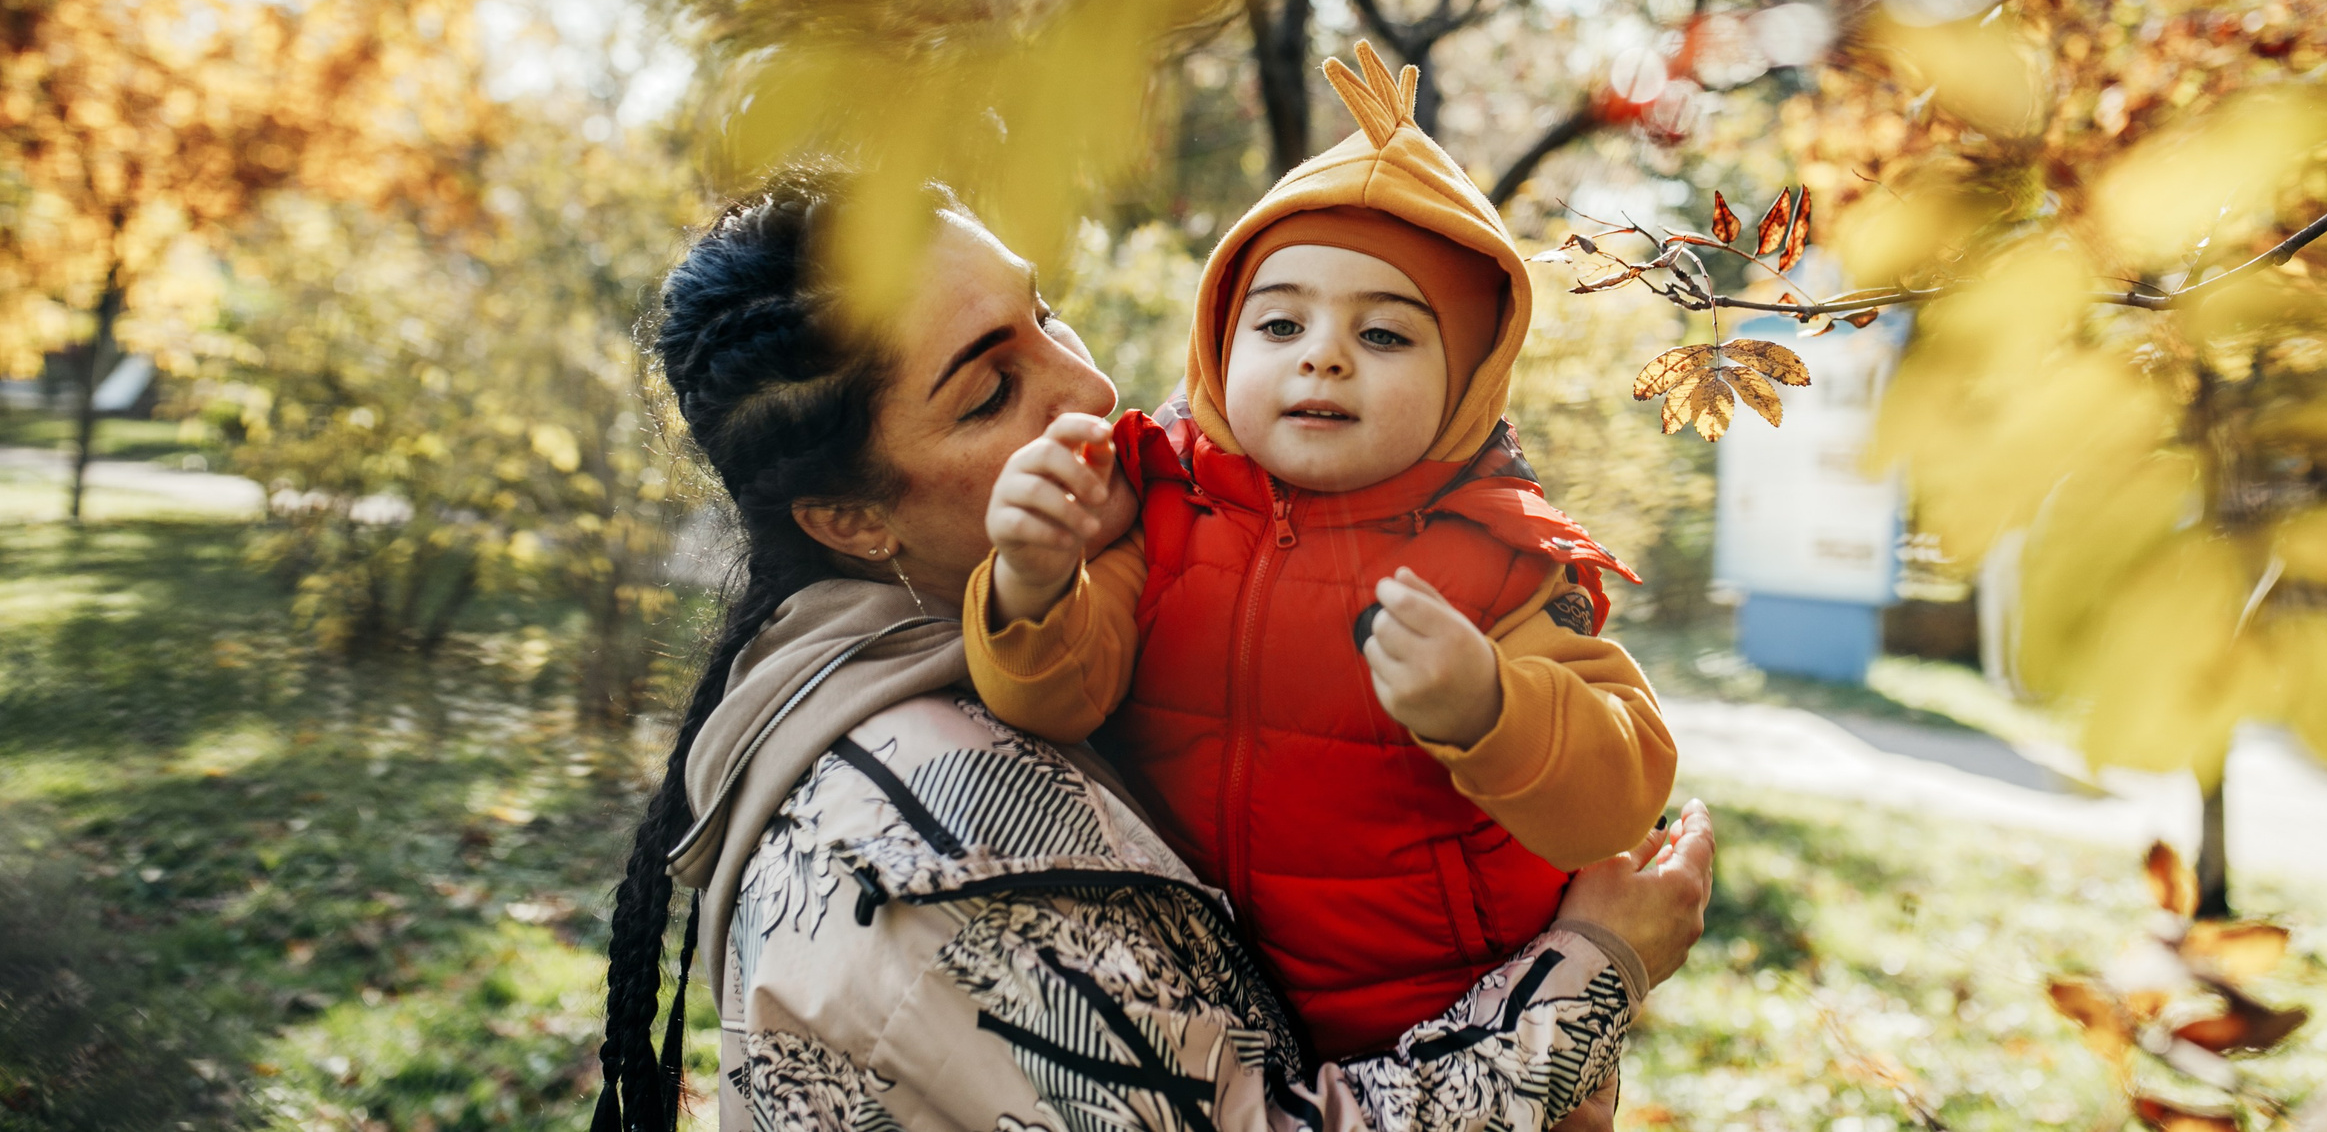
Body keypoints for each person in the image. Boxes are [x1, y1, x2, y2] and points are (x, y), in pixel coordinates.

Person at [590, 174, 1717, 1132]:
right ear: (848, 519)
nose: (1087, 387)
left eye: (1046, 314)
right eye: (991, 391)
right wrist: (1591, 976)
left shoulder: (1103, 593)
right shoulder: (943, 834)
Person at [962, 43, 1679, 1062]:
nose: (1323, 354)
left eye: (1385, 336)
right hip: (1193, 1022)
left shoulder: (1502, 558)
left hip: (1439, 1039)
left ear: (1467, 382)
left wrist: (1490, 709)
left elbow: (1619, 791)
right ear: (1219, 342)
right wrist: (1034, 582)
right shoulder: (1161, 506)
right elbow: (1053, 702)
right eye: (1282, 321)